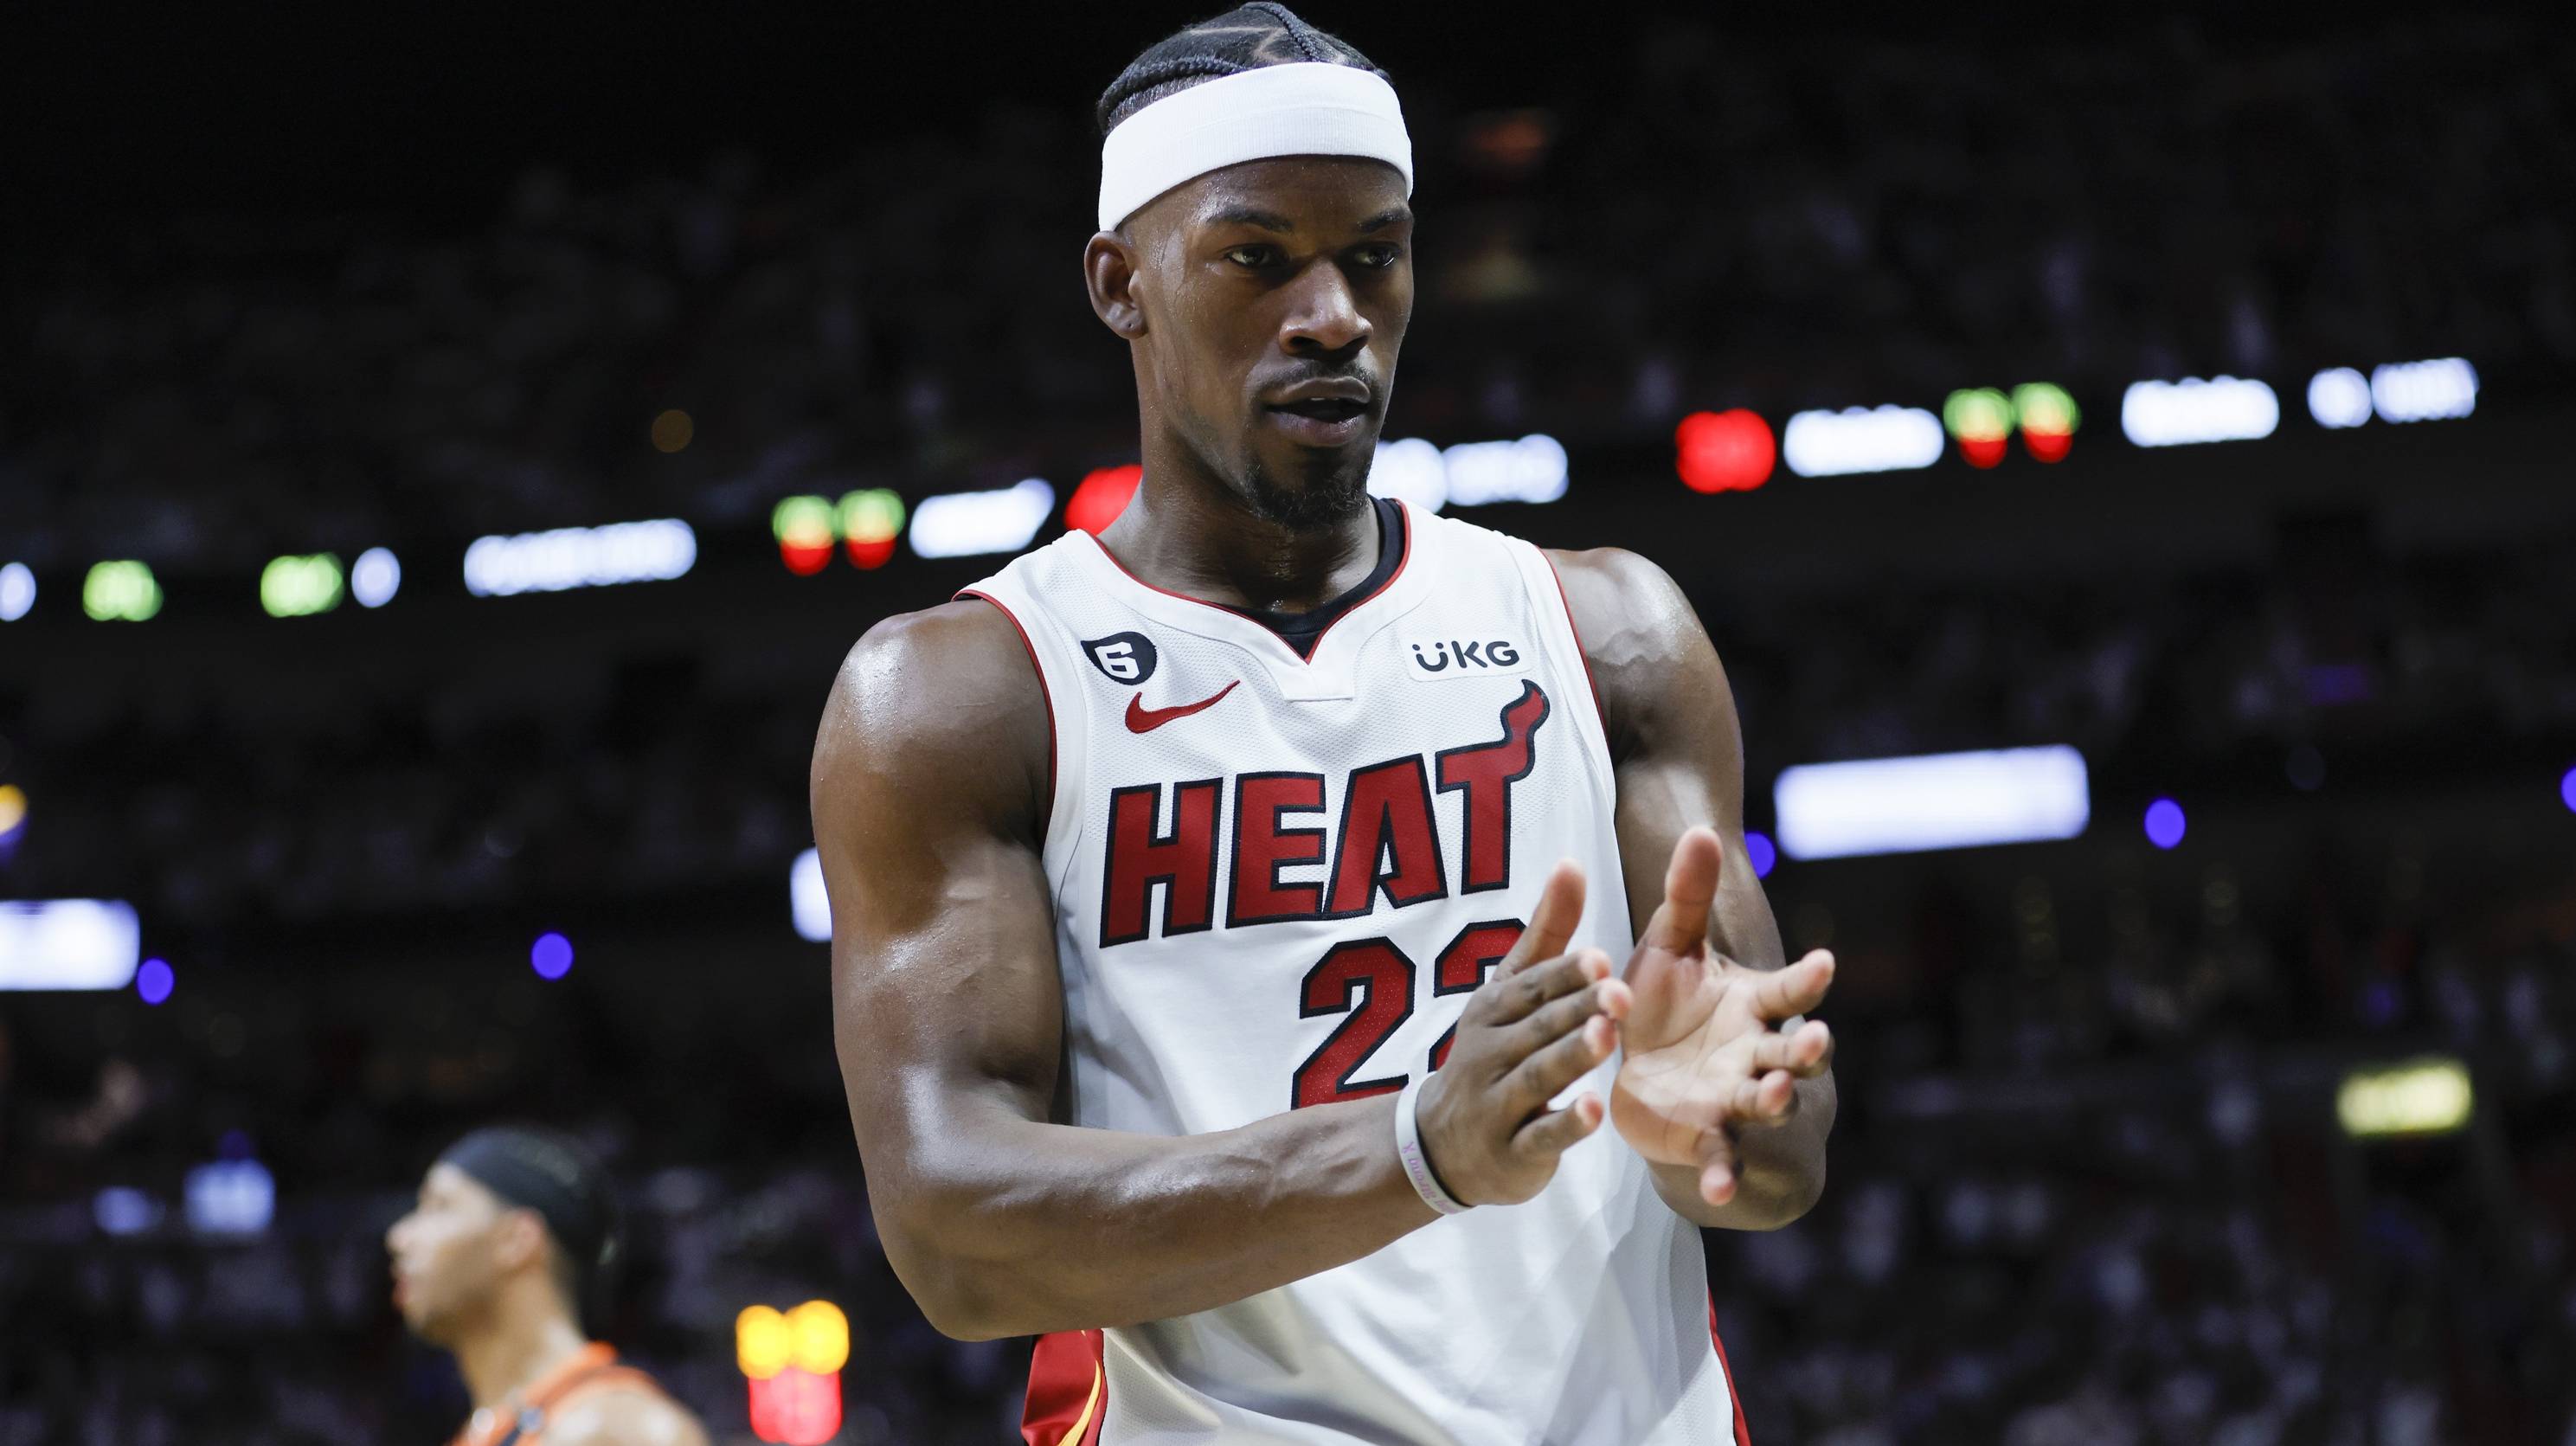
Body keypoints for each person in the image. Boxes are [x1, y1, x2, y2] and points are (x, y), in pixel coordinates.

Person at [812, 5, 1837, 1441]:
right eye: (1260, 259)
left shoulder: (1608, 631)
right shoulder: (966, 693)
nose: (1335, 313)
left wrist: (1739, 1119)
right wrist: (1417, 1149)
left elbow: (1777, 1165)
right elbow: (956, 1238)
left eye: (1374, 255)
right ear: (1122, 284)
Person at [386, 1126, 708, 1446]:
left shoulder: (615, 1429)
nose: (399, 1238)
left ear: (517, 1239)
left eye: (439, 1206)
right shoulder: (487, 1431)